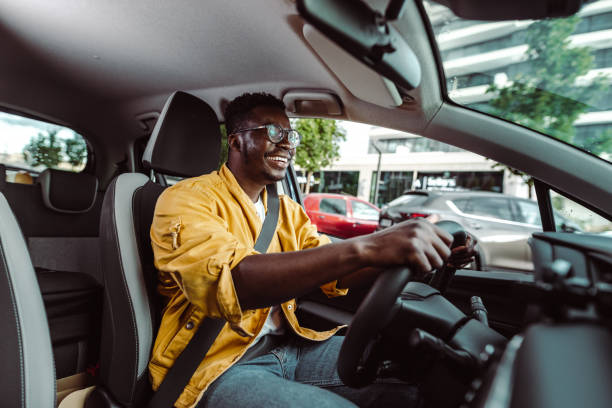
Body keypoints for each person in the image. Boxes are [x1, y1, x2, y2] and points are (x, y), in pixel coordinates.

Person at [148, 92, 476, 408]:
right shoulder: (185, 200)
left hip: (292, 345)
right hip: (217, 367)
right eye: (274, 132)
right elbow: (235, 282)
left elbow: (336, 274)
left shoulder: (287, 210)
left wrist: (412, 254)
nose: (288, 143)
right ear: (236, 141)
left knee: (420, 384)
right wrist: (370, 246)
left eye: (291, 134)